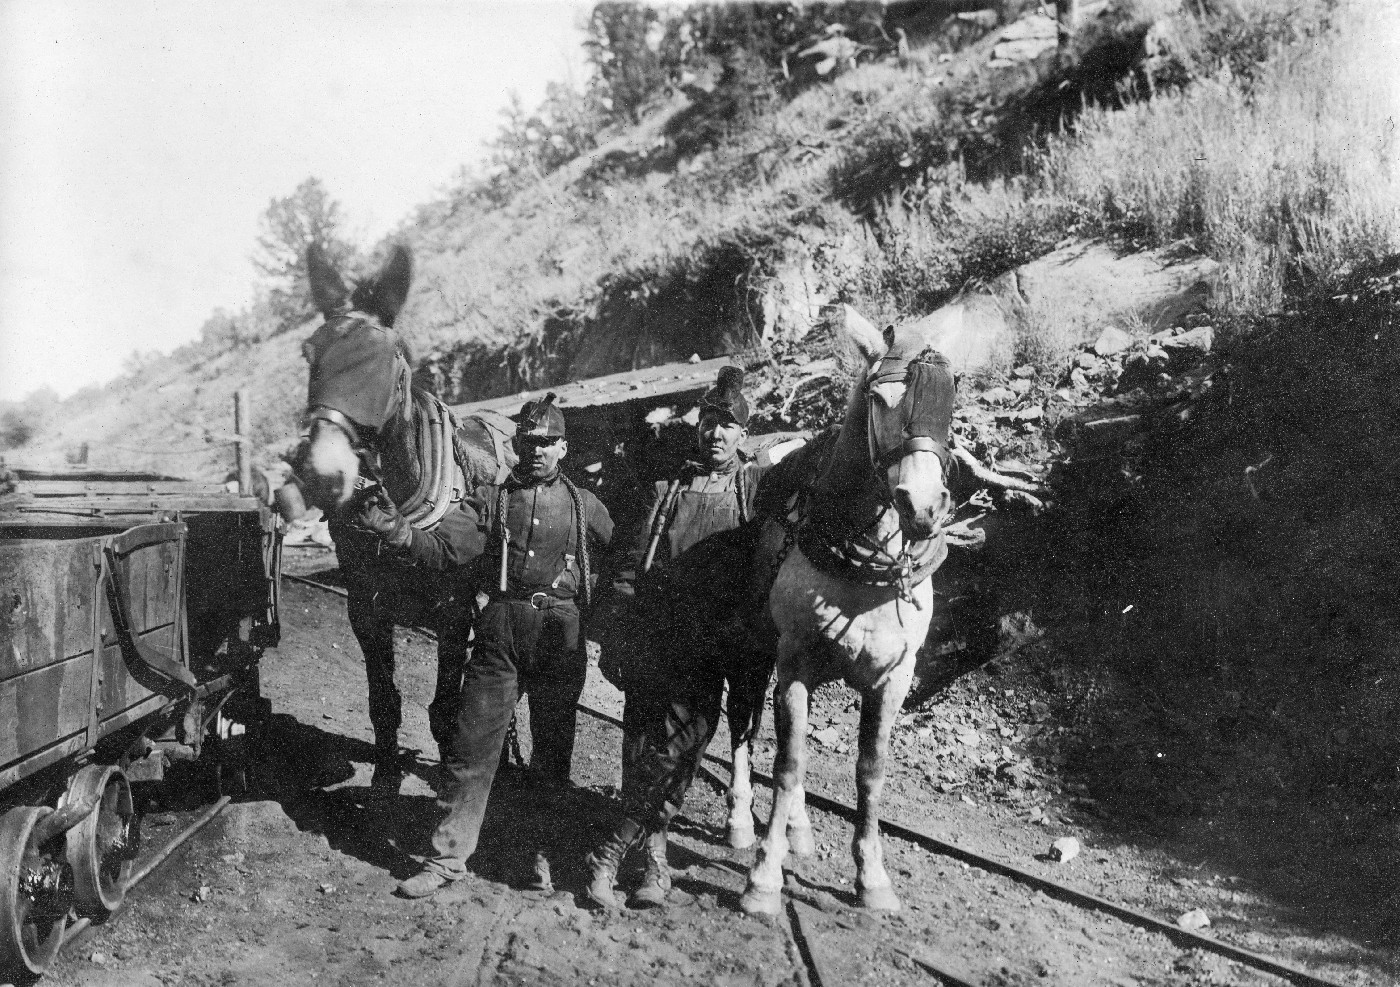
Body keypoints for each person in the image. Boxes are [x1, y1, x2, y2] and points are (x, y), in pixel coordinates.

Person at [395, 393, 614, 899]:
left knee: (552, 751)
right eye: (528, 441)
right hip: (500, 633)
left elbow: (621, 548)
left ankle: (539, 855)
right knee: (472, 746)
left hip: (561, 636)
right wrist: (398, 531)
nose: (537, 450)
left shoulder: (585, 505)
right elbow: (443, 549)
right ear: (515, 445)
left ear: (563, 447)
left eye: (547, 442)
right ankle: (446, 858)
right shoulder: (490, 501)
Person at [588, 366, 777, 909]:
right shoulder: (667, 488)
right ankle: (653, 861)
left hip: (711, 646)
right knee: (640, 749)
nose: (716, 434)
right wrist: (615, 633)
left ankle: (609, 850)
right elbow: (631, 563)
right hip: (655, 636)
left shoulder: (756, 490)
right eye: (710, 423)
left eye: (728, 426)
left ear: (744, 434)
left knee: (683, 748)